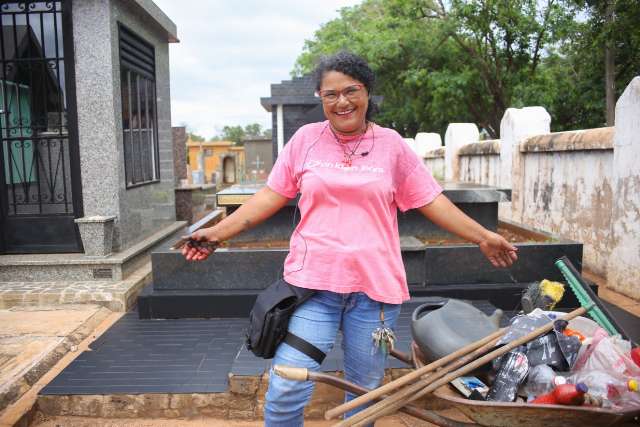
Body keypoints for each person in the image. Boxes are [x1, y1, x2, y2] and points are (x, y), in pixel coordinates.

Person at [182, 51, 518, 426]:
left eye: (351, 91)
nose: (342, 101)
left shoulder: (391, 146)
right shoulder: (305, 140)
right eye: (330, 94)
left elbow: (432, 201)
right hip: (314, 290)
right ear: (321, 98)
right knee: (287, 384)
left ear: (367, 93)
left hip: (373, 295)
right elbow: (267, 197)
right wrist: (217, 233)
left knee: (364, 394)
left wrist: (483, 236)